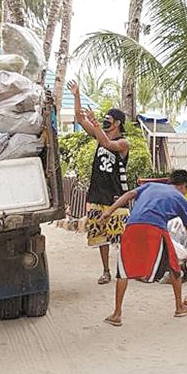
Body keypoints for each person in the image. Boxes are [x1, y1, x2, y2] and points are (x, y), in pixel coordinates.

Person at [99, 170, 187, 326]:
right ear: (184, 186)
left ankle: (116, 314)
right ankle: (179, 307)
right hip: (155, 229)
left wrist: (109, 211)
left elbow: (130, 194)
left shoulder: (150, 186)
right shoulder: (181, 199)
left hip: (131, 226)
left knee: (122, 270)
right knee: (174, 266)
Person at [67, 80, 130, 285]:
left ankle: (127, 269)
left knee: (121, 237)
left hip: (116, 196)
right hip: (97, 194)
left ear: (117, 123)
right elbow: (79, 118)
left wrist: (95, 124)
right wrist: (77, 94)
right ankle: (106, 271)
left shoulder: (123, 143)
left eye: (108, 119)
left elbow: (106, 143)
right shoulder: (98, 133)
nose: (104, 121)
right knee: (100, 236)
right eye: (103, 119)